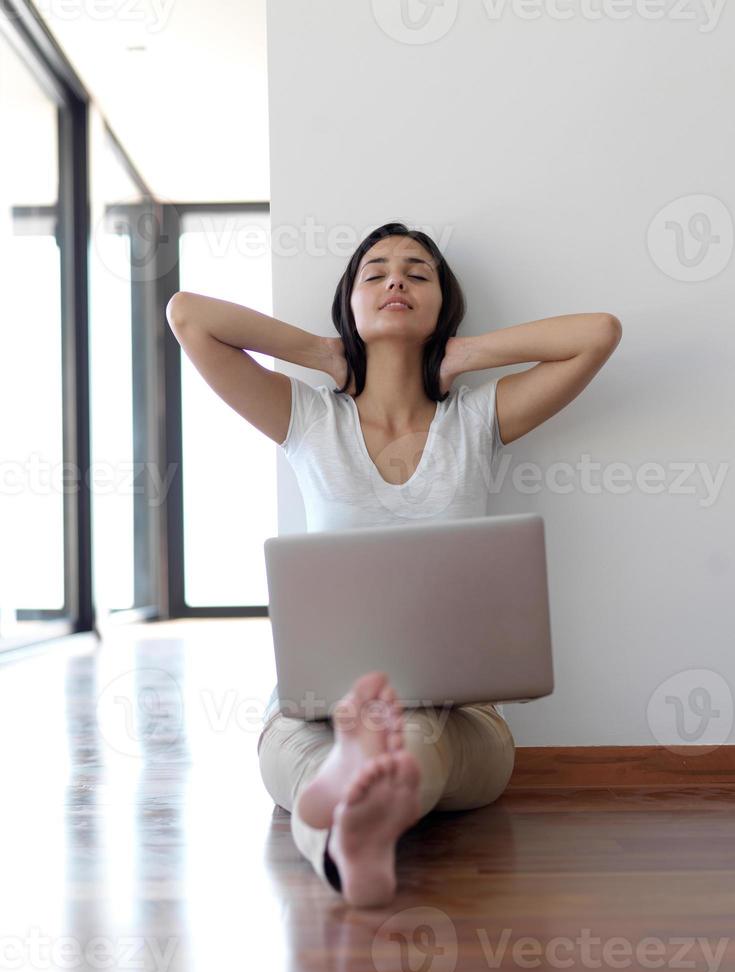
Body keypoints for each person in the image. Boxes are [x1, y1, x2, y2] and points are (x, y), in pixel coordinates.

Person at [166, 221, 622, 907]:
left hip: (460, 715)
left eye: (417, 272)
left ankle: (352, 793)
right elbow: (188, 315)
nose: (395, 282)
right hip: (315, 710)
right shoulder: (307, 419)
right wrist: (323, 355)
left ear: (444, 303)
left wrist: (463, 354)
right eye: (373, 272)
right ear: (348, 300)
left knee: (413, 733)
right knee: (305, 759)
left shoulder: (476, 420)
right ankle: (355, 829)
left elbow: (599, 332)